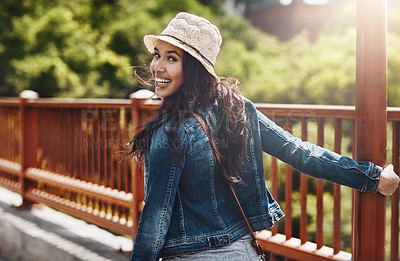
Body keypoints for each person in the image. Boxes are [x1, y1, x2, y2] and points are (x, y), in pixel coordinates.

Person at [128, 12, 400, 261]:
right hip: (243, 252)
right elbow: (299, 152)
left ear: (194, 68)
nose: (157, 67)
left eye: (171, 58)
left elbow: (156, 218)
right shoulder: (236, 108)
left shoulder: (170, 131)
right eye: (157, 54)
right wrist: (371, 177)